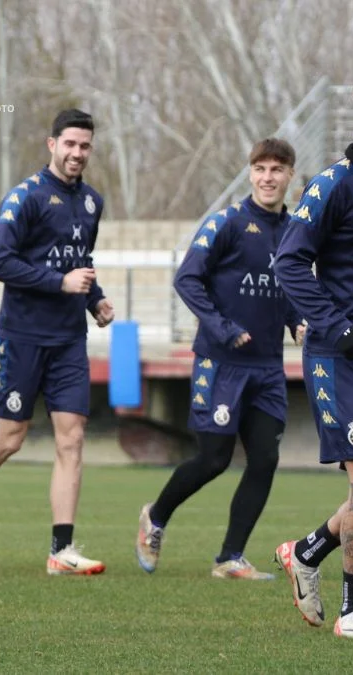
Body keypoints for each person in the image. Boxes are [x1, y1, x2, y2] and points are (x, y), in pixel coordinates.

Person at [0, 109, 114, 576]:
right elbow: (0, 263)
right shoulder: (26, 197)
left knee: (72, 439)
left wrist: (95, 300)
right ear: (52, 144)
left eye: (85, 146)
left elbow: (81, 259)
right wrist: (61, 283)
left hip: (68, 342)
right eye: (70, 144)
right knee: (10, 439)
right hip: (21, 337)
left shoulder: (93, 202)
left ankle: (62, 550)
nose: (77, 153)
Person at [135, 138, 302, 580]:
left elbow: (288, 291)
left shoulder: (294, 231)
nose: (268, 177)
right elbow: (187, 280)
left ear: (290, 176)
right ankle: (155, 517)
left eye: (277, 169)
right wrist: (224, 328)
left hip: (267, 368)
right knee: (213, 459)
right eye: (261, 168)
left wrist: (297, 322)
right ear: (250, 173)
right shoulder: (226, 223)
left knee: (264, 460)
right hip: (221, 362)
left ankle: (230, 557)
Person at [273, 66, 353, 639]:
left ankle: (307, 552)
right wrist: (337, 328)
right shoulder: (335, 184)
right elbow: (288, 261)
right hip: (339, 357)